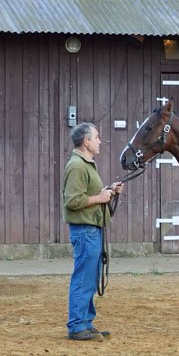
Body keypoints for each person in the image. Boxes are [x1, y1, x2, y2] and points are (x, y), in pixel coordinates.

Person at [62, 122, 123, 341]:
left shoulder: (85, 164)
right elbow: (72, 200)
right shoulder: (77, 166)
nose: (100, 141)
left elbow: (86, 194)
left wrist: (108, 191)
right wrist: (100, 198)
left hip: (91, 229)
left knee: (90, 276)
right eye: (96, 137)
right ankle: (77, 325)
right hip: (85, 230)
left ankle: (85, 322)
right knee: (84, 277)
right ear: (86, 141)